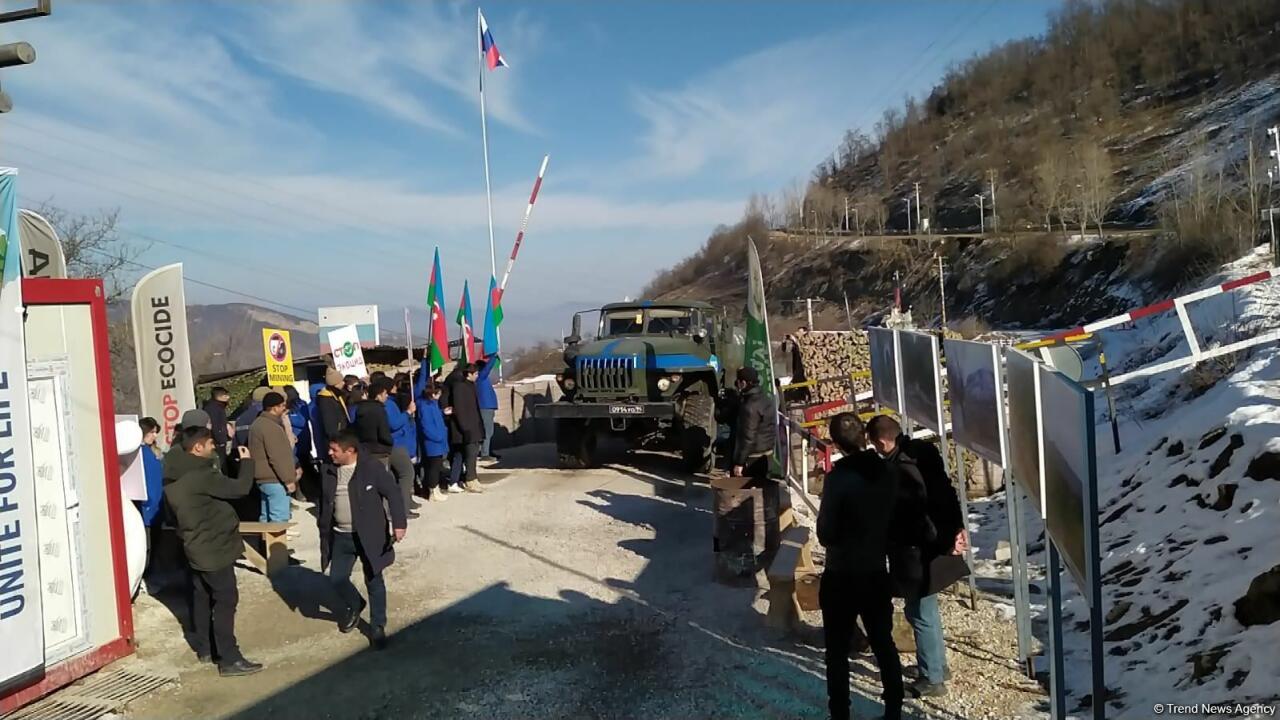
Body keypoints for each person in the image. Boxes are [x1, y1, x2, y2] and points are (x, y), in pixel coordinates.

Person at [867, 415, 967, 699]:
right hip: (933, 548)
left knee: (920, 613)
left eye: (875, 445)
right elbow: (946, 493)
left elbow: (912, 516)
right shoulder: (921, 454)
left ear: (882, 442)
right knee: (926, 610)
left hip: (916, 553)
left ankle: (932, 678)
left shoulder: (902, 471)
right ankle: (938, 666)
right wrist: (955, 530)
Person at [817, 413, 907, 720]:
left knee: (837, 651)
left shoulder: (837, 478)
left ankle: (840, 713)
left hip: (841, 573)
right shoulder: (888, 471)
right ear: (864, 437)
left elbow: (826, 533)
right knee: (883, 643)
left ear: (836, 444)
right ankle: (894, 709)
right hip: (875, 569)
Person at [163, 426, 263, 676]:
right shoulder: (201, 476)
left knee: (202, 596)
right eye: (209, 444)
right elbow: (240, 488)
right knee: (225, 600)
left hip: (194, 545)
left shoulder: (174, 476)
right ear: (197, 448)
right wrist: (247, 462)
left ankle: (206, 648)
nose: (213, 448)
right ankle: (229, 658)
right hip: (214, 547)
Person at [319, 431, 408, 650]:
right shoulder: (328, 470)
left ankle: (377, 626)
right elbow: (324, 500)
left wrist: (399, 523)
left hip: (369, 536)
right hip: (341, 535)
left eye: (334, 450)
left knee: (374, 581)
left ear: (350, 451)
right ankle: (356, 603)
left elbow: (393, 493)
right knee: (337, 578)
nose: (330, 453)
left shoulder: (371, 468)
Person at [248, 392, 299, 524]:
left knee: (265, 518)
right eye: (282, 405)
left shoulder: (257, 424)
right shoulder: (271, 427)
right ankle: (276, 539)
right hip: (275, 479)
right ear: (274, 408)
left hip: (262, 478)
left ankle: (264, 538)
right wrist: (289, 480)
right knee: (279, 520)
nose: (284, 408)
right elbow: (278, 457)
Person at [441, 363, 485, 493]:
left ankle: (471, 478)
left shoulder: (469, 385)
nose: (477, 376)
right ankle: (470, 479)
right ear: (468, 374)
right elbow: (460, 410)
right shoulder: (459, 387)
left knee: (468, 454)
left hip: (472, 425)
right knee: (470, 454)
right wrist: (465, 427)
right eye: (475, 374)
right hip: (465, 428)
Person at [414, 358, 450, 502]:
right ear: (432, 394)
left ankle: (435, 489)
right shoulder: (424, 406)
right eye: (438, 393)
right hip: (433, 442)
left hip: (438, 440)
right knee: (433, 467)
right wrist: (438, 437)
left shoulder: (433, 405)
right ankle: (432, 491)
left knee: (436, 466)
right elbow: (427, 426)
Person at [730, 367, 774, 481]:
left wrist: (739, 463)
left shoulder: (749, 407)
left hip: (752, 457)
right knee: (762, 486)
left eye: (738, 382)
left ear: (743, 383)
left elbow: (748, 437)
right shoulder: (766, 399)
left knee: (745, 489)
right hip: (767, 454)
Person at [384, 380, 421, 514]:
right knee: (407, 474)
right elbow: (394, 424)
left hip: (400, 442)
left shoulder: (392, 402)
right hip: (396, 443)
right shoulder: (388, 405)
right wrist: (407, 412)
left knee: (401, 475)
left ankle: (406, 502)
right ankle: (403, 509)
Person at [137, 417, 165, 581]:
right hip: (146, 506)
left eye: (156, 432)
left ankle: (151, 575)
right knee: (146, 546)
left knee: (155, 544)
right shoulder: (138, 453)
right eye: (152, 432)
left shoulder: (153, 452)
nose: (154, 436)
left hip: (156, 505)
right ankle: (144, 577)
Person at [312, 368, 350, 463]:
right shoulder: (326, 400)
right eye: (341, 381)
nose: (343, 383)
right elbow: (330, 425)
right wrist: (338, 440)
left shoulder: (336, 396)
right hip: (336, 441)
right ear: (336, 384)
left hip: (341, 438)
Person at [476, 354, 501, 462]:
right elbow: (488, 368)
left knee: (488, 431)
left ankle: (487, 451)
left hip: (487, 407)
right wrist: (493, 357)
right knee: (488, 431)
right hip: (485, 407)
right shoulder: (481, 377)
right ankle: (485, 453)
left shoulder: (481, 378)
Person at [203, 387, 234, 473]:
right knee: (221, 465)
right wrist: (221, 441)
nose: (228, 397)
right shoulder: (214, 408)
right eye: (225, 395)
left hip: (219, 442)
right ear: (219, 396)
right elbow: (216, 426)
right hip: (218, 443)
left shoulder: (218, 407)